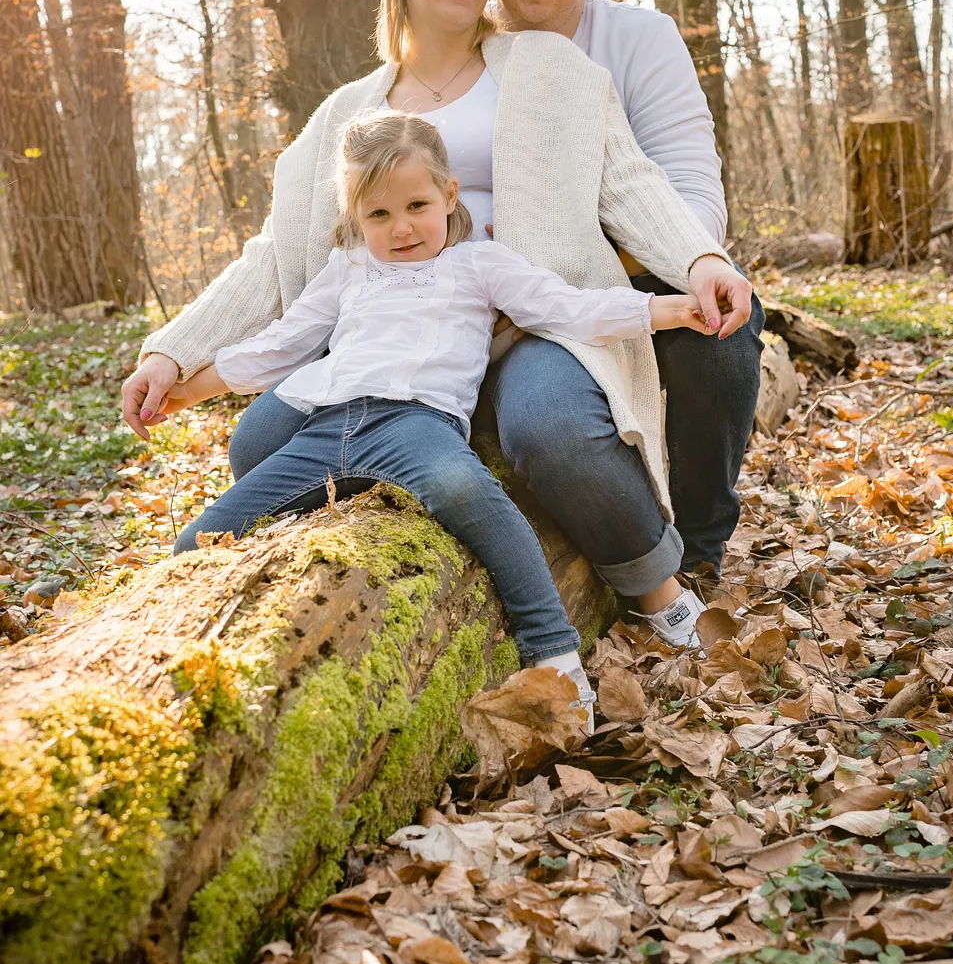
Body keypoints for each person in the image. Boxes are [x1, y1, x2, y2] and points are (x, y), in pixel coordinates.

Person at [121, 0, 744, 649]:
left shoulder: (548, 66)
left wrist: (698, 259)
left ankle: (658, 593)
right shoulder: (348, 113)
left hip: (529, 324)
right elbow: (276, 255)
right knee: (256, 442)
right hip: (391, 342)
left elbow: (630, 181)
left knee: (549, 425)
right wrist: (173, 353)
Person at [163, 114, 717, 726]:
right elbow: (285, 343)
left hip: (417, 428)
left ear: (449, 195)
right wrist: (193, 387)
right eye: (378, 215)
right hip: (327, 427)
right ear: (354, 217)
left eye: (417, 205)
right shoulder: (348, 268)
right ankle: (178, 657)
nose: (400, 228)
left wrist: (665, 310)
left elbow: (570, 310)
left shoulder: (481, 265)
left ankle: (555, 654)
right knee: (199, 541)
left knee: (466, 491)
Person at [493, 0, 764, 594]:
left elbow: (692, 192)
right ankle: (630, 536)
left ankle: (701, 543)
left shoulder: (639, 40)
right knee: (543, 417)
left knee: (722, 333)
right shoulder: (466, 45)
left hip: (647, 278)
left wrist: (636, 274)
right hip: (526, 315)